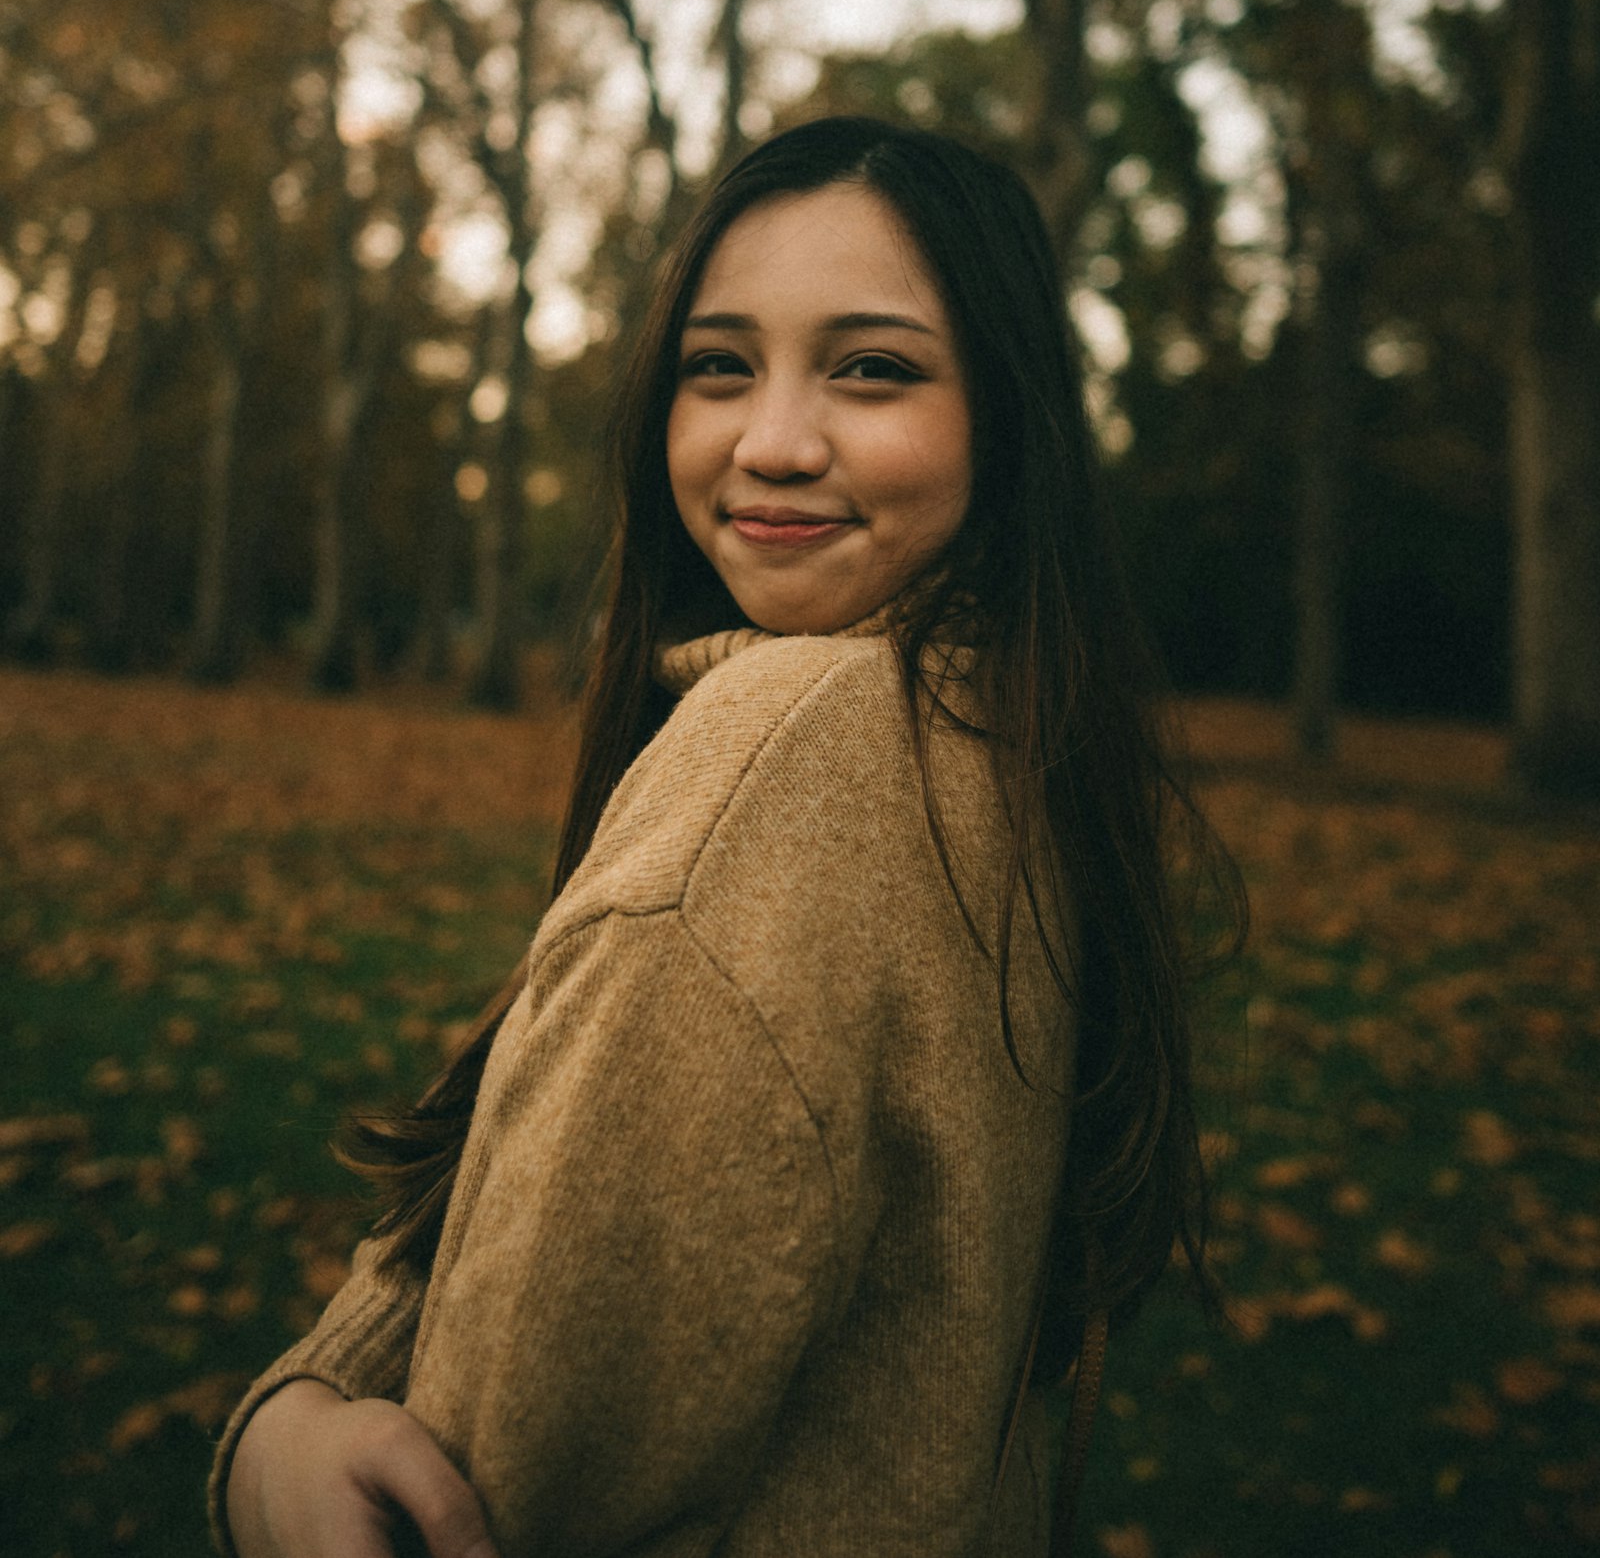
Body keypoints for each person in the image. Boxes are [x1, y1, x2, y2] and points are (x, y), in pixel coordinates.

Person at [211, 115, 1242, 1558]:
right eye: (718, 366)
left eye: (873, 369)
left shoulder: (790, 757)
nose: (771, 442)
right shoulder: (1015, 729)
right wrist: (320, 1384)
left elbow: (488, 1489)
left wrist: (272, 1442)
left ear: (1007, 416)